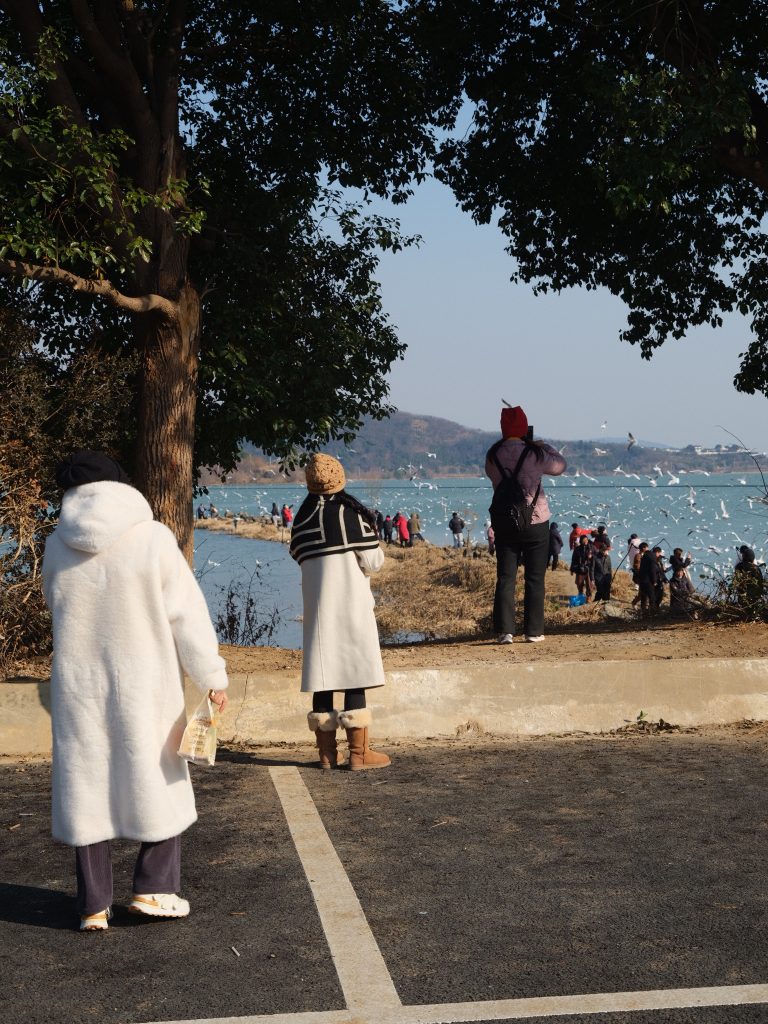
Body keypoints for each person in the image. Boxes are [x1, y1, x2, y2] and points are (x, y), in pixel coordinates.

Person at [42, 451, 229, 932]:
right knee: (158, 773)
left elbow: (54, 606)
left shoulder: (56, 545)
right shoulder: (152, 537)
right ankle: (154, 888)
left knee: (86, 780)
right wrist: (211, 676)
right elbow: (187, 615)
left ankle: (93, 905)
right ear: (122, 486)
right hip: (145, 681)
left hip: (79, 683)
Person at [289, 454, 391, 771]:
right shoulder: (349, 513)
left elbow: (300, 557)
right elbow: (373, 561)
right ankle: (359, 754)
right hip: (351, 604)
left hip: (318, 610)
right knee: (354, 675)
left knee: (323, 678)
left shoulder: (302, 518)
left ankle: (327, 754)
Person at [485, 405, 566, 643]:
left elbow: (493, 477)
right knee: (534, 577)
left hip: (504, 521)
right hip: (535, 520)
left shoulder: (493, 454)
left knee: (506, 577)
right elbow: (560, 466)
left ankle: (505, 631)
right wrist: (544, 446)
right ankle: (533, 631)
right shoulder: (535, 453)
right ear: (523, 427)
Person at [733, 545, 764, 615]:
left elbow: (736, 583)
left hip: (743, 598)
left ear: (743, 557)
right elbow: (761, 585)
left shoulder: (739, 566)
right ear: (753, 558)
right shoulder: (757, 569)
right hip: (755, 599)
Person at [638, 545, 666, 614]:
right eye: (659, 554)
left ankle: (643, 611)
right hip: (648, 580)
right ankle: (652, 612)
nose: (659, 556)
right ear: (657, 552)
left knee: (644, 596)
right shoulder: (652, 557)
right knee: (652, 597)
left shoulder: (646, 556)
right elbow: (652, 570)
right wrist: (654, 581)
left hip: (642, 579)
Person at [570, 534, 594, 601]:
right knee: (579, 583)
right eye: (584, 540)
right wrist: (572, 569)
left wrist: (591, 557)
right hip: (579, 568)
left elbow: (596, 556)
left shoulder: (591, 548)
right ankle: (581, 594)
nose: (586, 541)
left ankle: (588, 596)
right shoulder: (577, 549)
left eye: (586, 540)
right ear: (581, 541)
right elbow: (573, 559)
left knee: (589, 584)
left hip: (588, 568)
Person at [631, 541, 648, 607]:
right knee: (642, 592)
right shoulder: (638, 556)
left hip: (643, 576)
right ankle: (634, 603)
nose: (647, 549)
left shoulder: (643, 555)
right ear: (643, 548)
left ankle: (636, 603)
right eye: (646, 547)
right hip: (640, 577)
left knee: (643, 592)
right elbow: (637, 566)